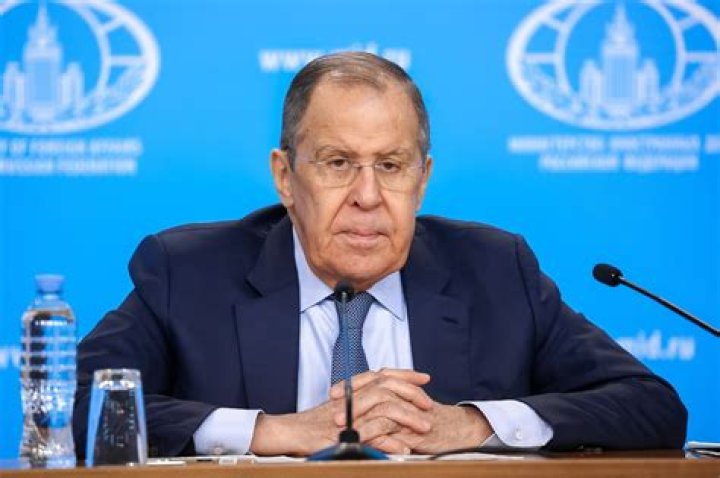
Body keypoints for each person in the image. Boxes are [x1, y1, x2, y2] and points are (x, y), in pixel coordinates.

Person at [73, 52, 687, 458]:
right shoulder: (188, 272)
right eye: (338, 163)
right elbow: (75, 406)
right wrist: (276, 431)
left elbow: (652, 406)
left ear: (422, 180)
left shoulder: (496, 271)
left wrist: (471, 425)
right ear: (285, 178)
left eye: (391, 166)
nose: (367, 196)